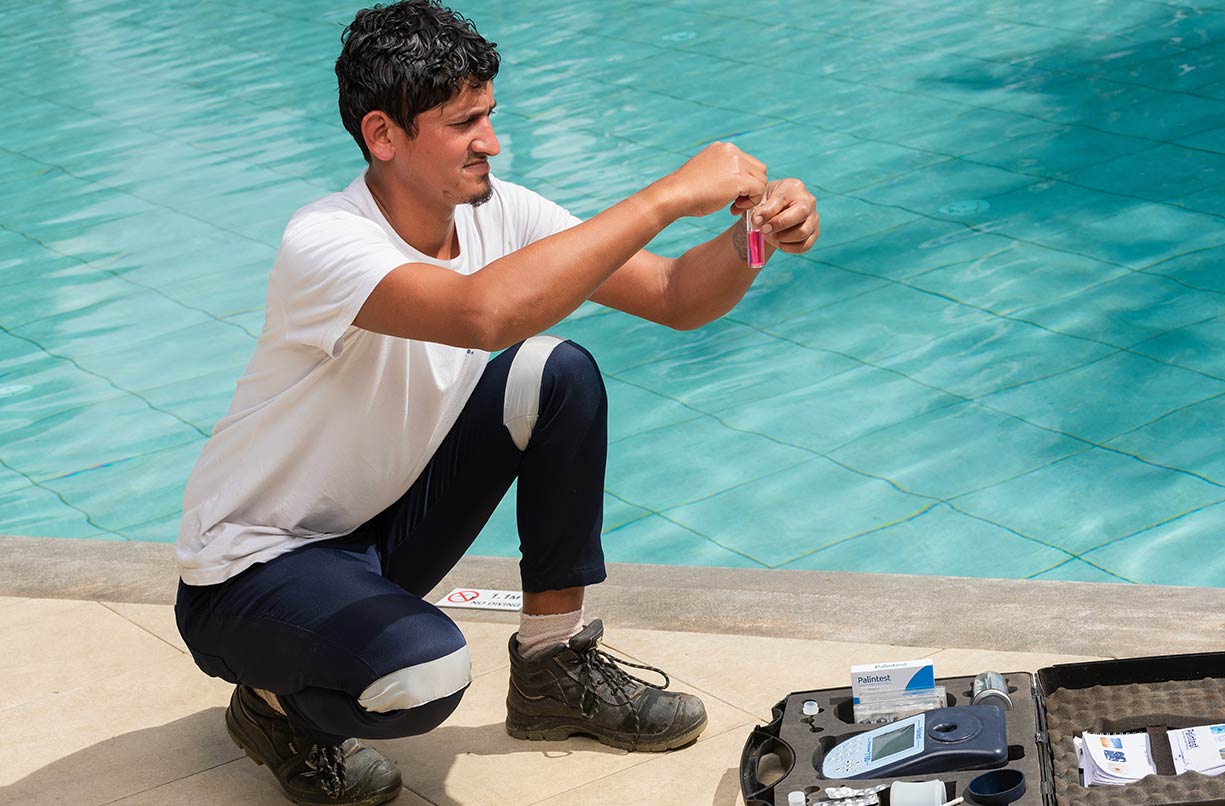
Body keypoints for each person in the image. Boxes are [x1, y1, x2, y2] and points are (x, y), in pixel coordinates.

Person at [171, 0, 820, 804]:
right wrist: (668, 194)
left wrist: (754, 233)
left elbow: (675, 294)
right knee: (423, 674)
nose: (491, 141)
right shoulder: (325, 241)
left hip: (377, 534)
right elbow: (482, 314)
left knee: (556, 373)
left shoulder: (496, 210)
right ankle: (277, 708)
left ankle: (555, 665)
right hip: (250, 572)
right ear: (383, 135)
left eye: (489, 115)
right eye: (464, 122)